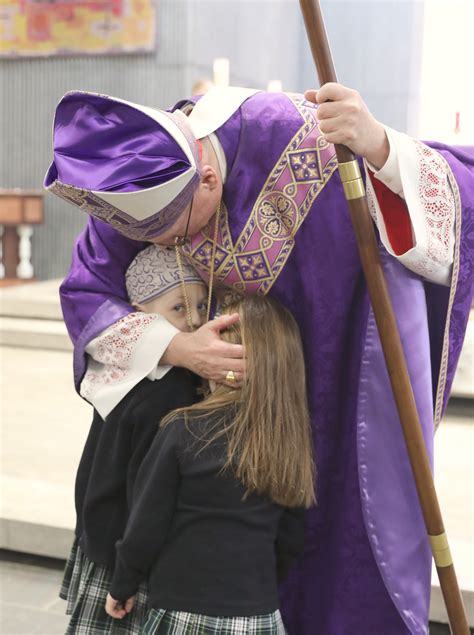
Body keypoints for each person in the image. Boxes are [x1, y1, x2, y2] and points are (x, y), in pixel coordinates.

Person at [45, 83, 473, 634]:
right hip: (202, 419)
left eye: (179, 228)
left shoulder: (297, 134)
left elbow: (453, 195)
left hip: (328, 384)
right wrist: (178, 347)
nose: (173, 243)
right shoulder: (141, 171)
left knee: (330, 542)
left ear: (208, 178)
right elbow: (87, 291)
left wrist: (378, 146)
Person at [104, 295, 315, 635]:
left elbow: (146, 525)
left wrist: (122, 585)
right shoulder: (291, 439)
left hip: (183, 609)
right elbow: (291, 538)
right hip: (257, 613)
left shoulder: (182, 428)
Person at [60, 244, 207, 633]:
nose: (194, 321)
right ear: (141, 316)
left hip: (99, 534)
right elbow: (149, 494)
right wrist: (130, 569)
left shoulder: (115, 370)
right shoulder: (173, 390)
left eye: (203, 306)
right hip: (124, 551)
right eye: (179, 307)